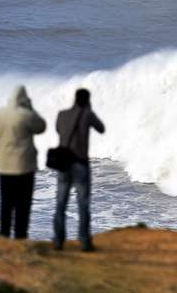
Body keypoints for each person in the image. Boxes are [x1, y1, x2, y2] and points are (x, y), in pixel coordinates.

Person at [53, 88, 105, 251]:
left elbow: (59, 130)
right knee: (82, 204)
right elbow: (101, 128)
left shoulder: (62, 114)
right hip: (80, 165)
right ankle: (84, 242)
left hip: (63, 164)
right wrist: (88, 111)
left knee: (61, 203)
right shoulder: (87, 114)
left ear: (74, 99)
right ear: (87, 100)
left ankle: (58, 241)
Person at [0, 86, 47, 239]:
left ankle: (3, 235)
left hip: (5, 167)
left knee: (6, 204)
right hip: (24, 168)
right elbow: (41, 127)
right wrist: (31, 108)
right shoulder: (26, 115)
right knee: (22, 206)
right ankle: (20, 238)